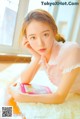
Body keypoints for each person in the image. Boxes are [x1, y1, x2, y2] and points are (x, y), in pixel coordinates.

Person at [9, 9, 80, 104]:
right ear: (27, 39)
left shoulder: (71, 50)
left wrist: (23, 97)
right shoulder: (42, 54)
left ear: (54, 32)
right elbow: (24, 80)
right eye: (33, 37)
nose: (40, 43)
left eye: (45, 35)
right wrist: (37, 57)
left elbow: (59, 97)